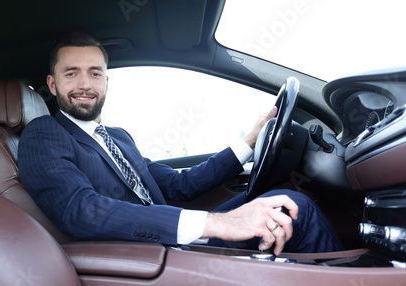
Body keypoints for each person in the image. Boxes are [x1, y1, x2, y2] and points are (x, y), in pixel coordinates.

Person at [18, 29, 343, 255]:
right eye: (71, 73)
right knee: (294, 206)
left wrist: (251, 140)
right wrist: (220, 223)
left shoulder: (117, 137)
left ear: (106, 80)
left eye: (95, 72)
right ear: (53, 83)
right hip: (146, 260)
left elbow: (180, 185)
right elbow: (82, 211)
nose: (85, 84)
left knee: (283, 205)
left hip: (173, 245)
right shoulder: (44, 134)